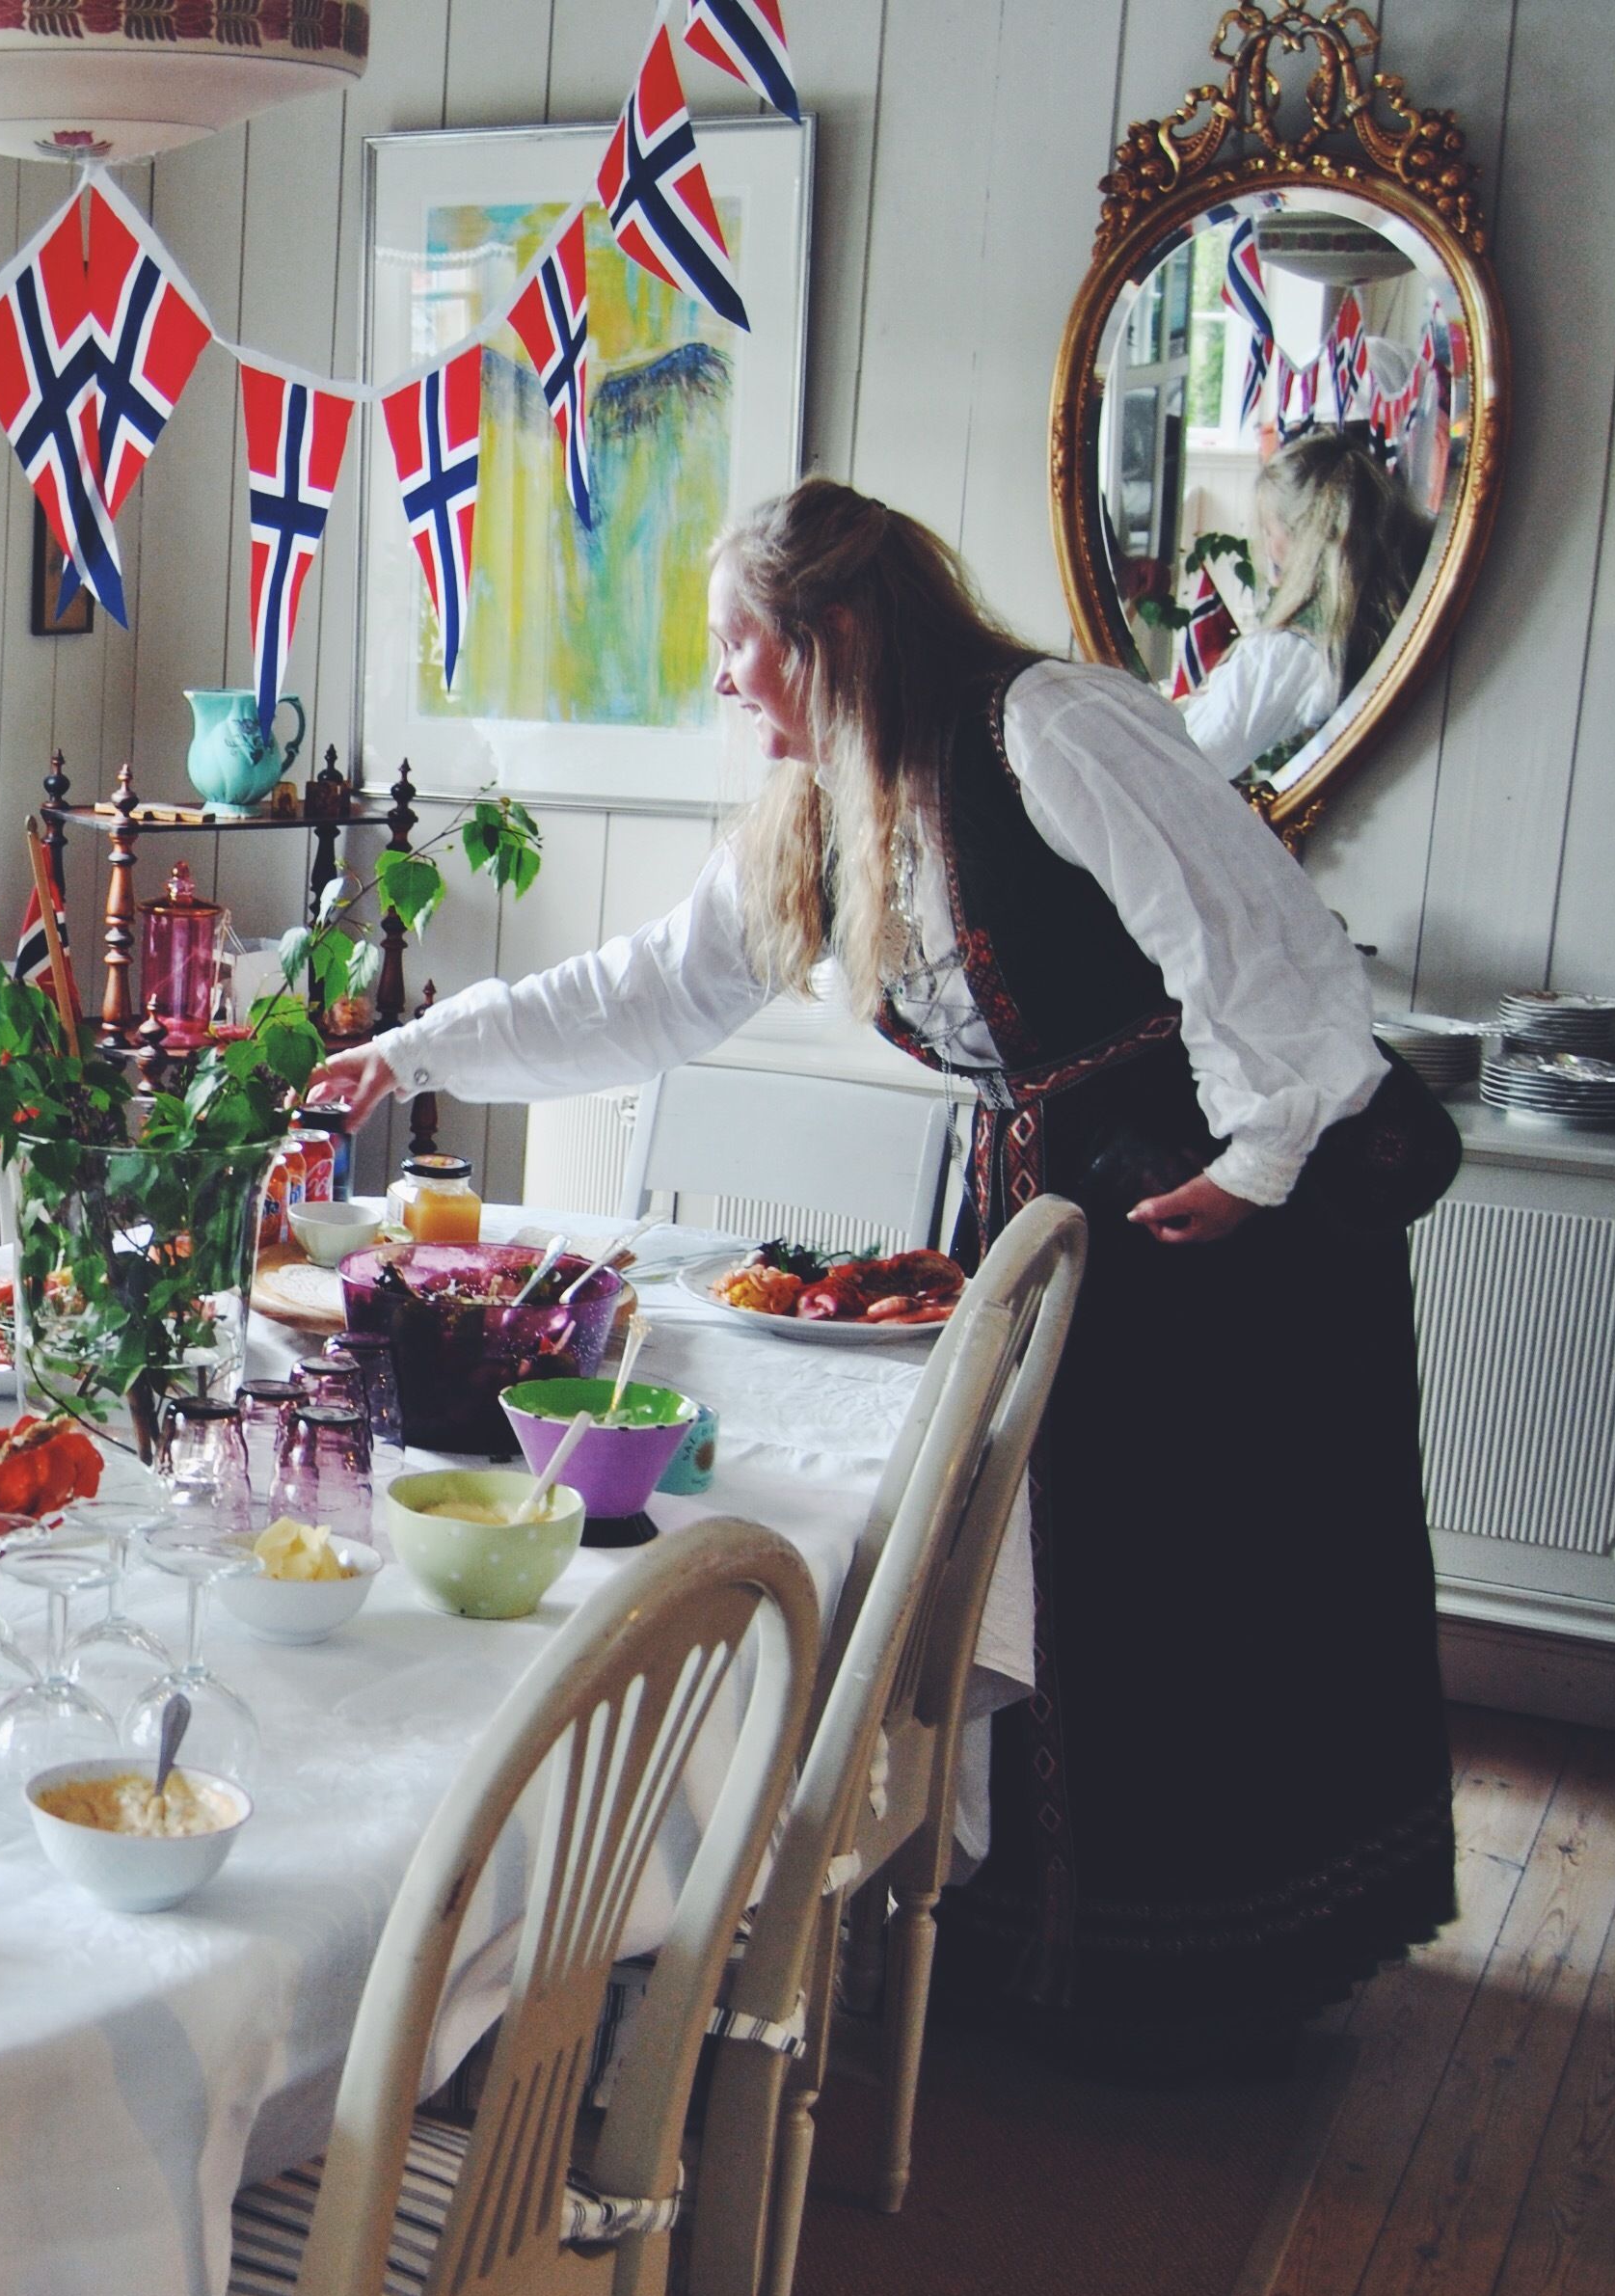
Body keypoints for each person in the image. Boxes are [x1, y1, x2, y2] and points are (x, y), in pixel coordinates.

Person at [309, 478, 1458, 2078]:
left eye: (736, 644)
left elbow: (1244, 927)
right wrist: (410, 1052)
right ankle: (1037, 1936)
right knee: (1048, 1547)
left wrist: (1259, 1153)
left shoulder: (1044, 728)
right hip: (1051, 1214)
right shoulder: (820, 806)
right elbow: (641, 994)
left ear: (834, 628)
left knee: (1186, 1568)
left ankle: (1215, 1973)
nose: (721, 680)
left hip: (1207, 1217)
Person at [1181, 423, 1428, 781]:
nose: (1269, 548)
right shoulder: (1398, 611)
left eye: (1269, 530)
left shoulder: (1290, 654)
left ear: (1300, 533)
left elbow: (1189, 761)